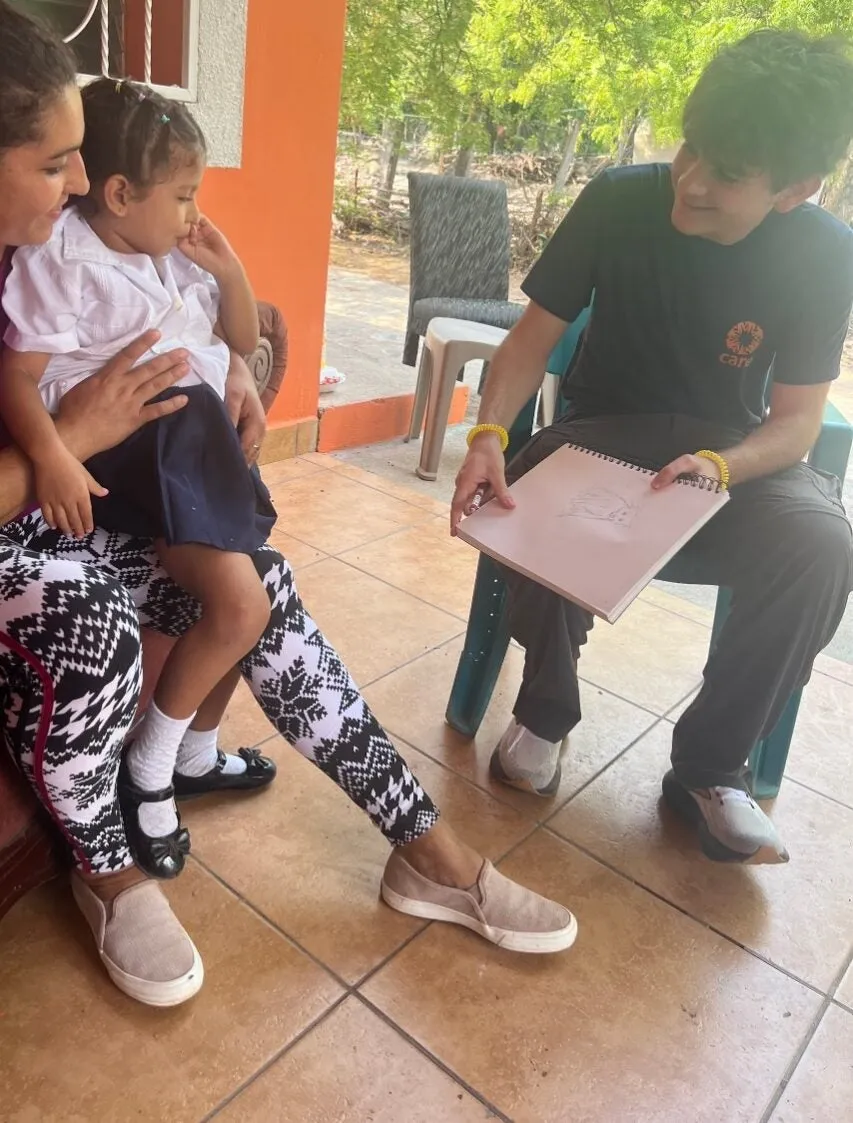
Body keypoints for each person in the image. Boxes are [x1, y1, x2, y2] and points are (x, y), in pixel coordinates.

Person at [0, 2, 576, 1008]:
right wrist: (76, 436)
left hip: (84, 510)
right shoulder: (48, 270)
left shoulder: (58, 250)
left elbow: (189, 325)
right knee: (91, 621)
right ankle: (108, 868)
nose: (82, 183)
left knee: (258, 579)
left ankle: (425, 850)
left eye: (81, 160)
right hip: (27, 538)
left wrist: (227, 375)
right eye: (53, 165)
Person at [451, 29, 853, 866]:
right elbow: (529, 341)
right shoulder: (617, 199)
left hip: (719, 464)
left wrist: (723, 466)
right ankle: (544, 711)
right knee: (528, 483)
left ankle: (710, 767)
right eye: (690, 148)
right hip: (600, 435)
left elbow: (796, 425)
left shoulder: (823, 254)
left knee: (821, 542)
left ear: (795, 189)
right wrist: (488, 433)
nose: (692, 182)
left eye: (728, 174)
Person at [0, 78, 277, 881]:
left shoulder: (165, 255)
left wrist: (228, 280)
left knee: (250, 594)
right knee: (241, 597)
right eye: (185, 195)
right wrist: (54, 454)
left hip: (181, 445)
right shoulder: (62, 257)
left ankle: (180, 753)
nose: (195, 213)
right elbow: (19, 376)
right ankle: (154, 769)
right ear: (121, 194)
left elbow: (237, 334)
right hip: (134, 453)